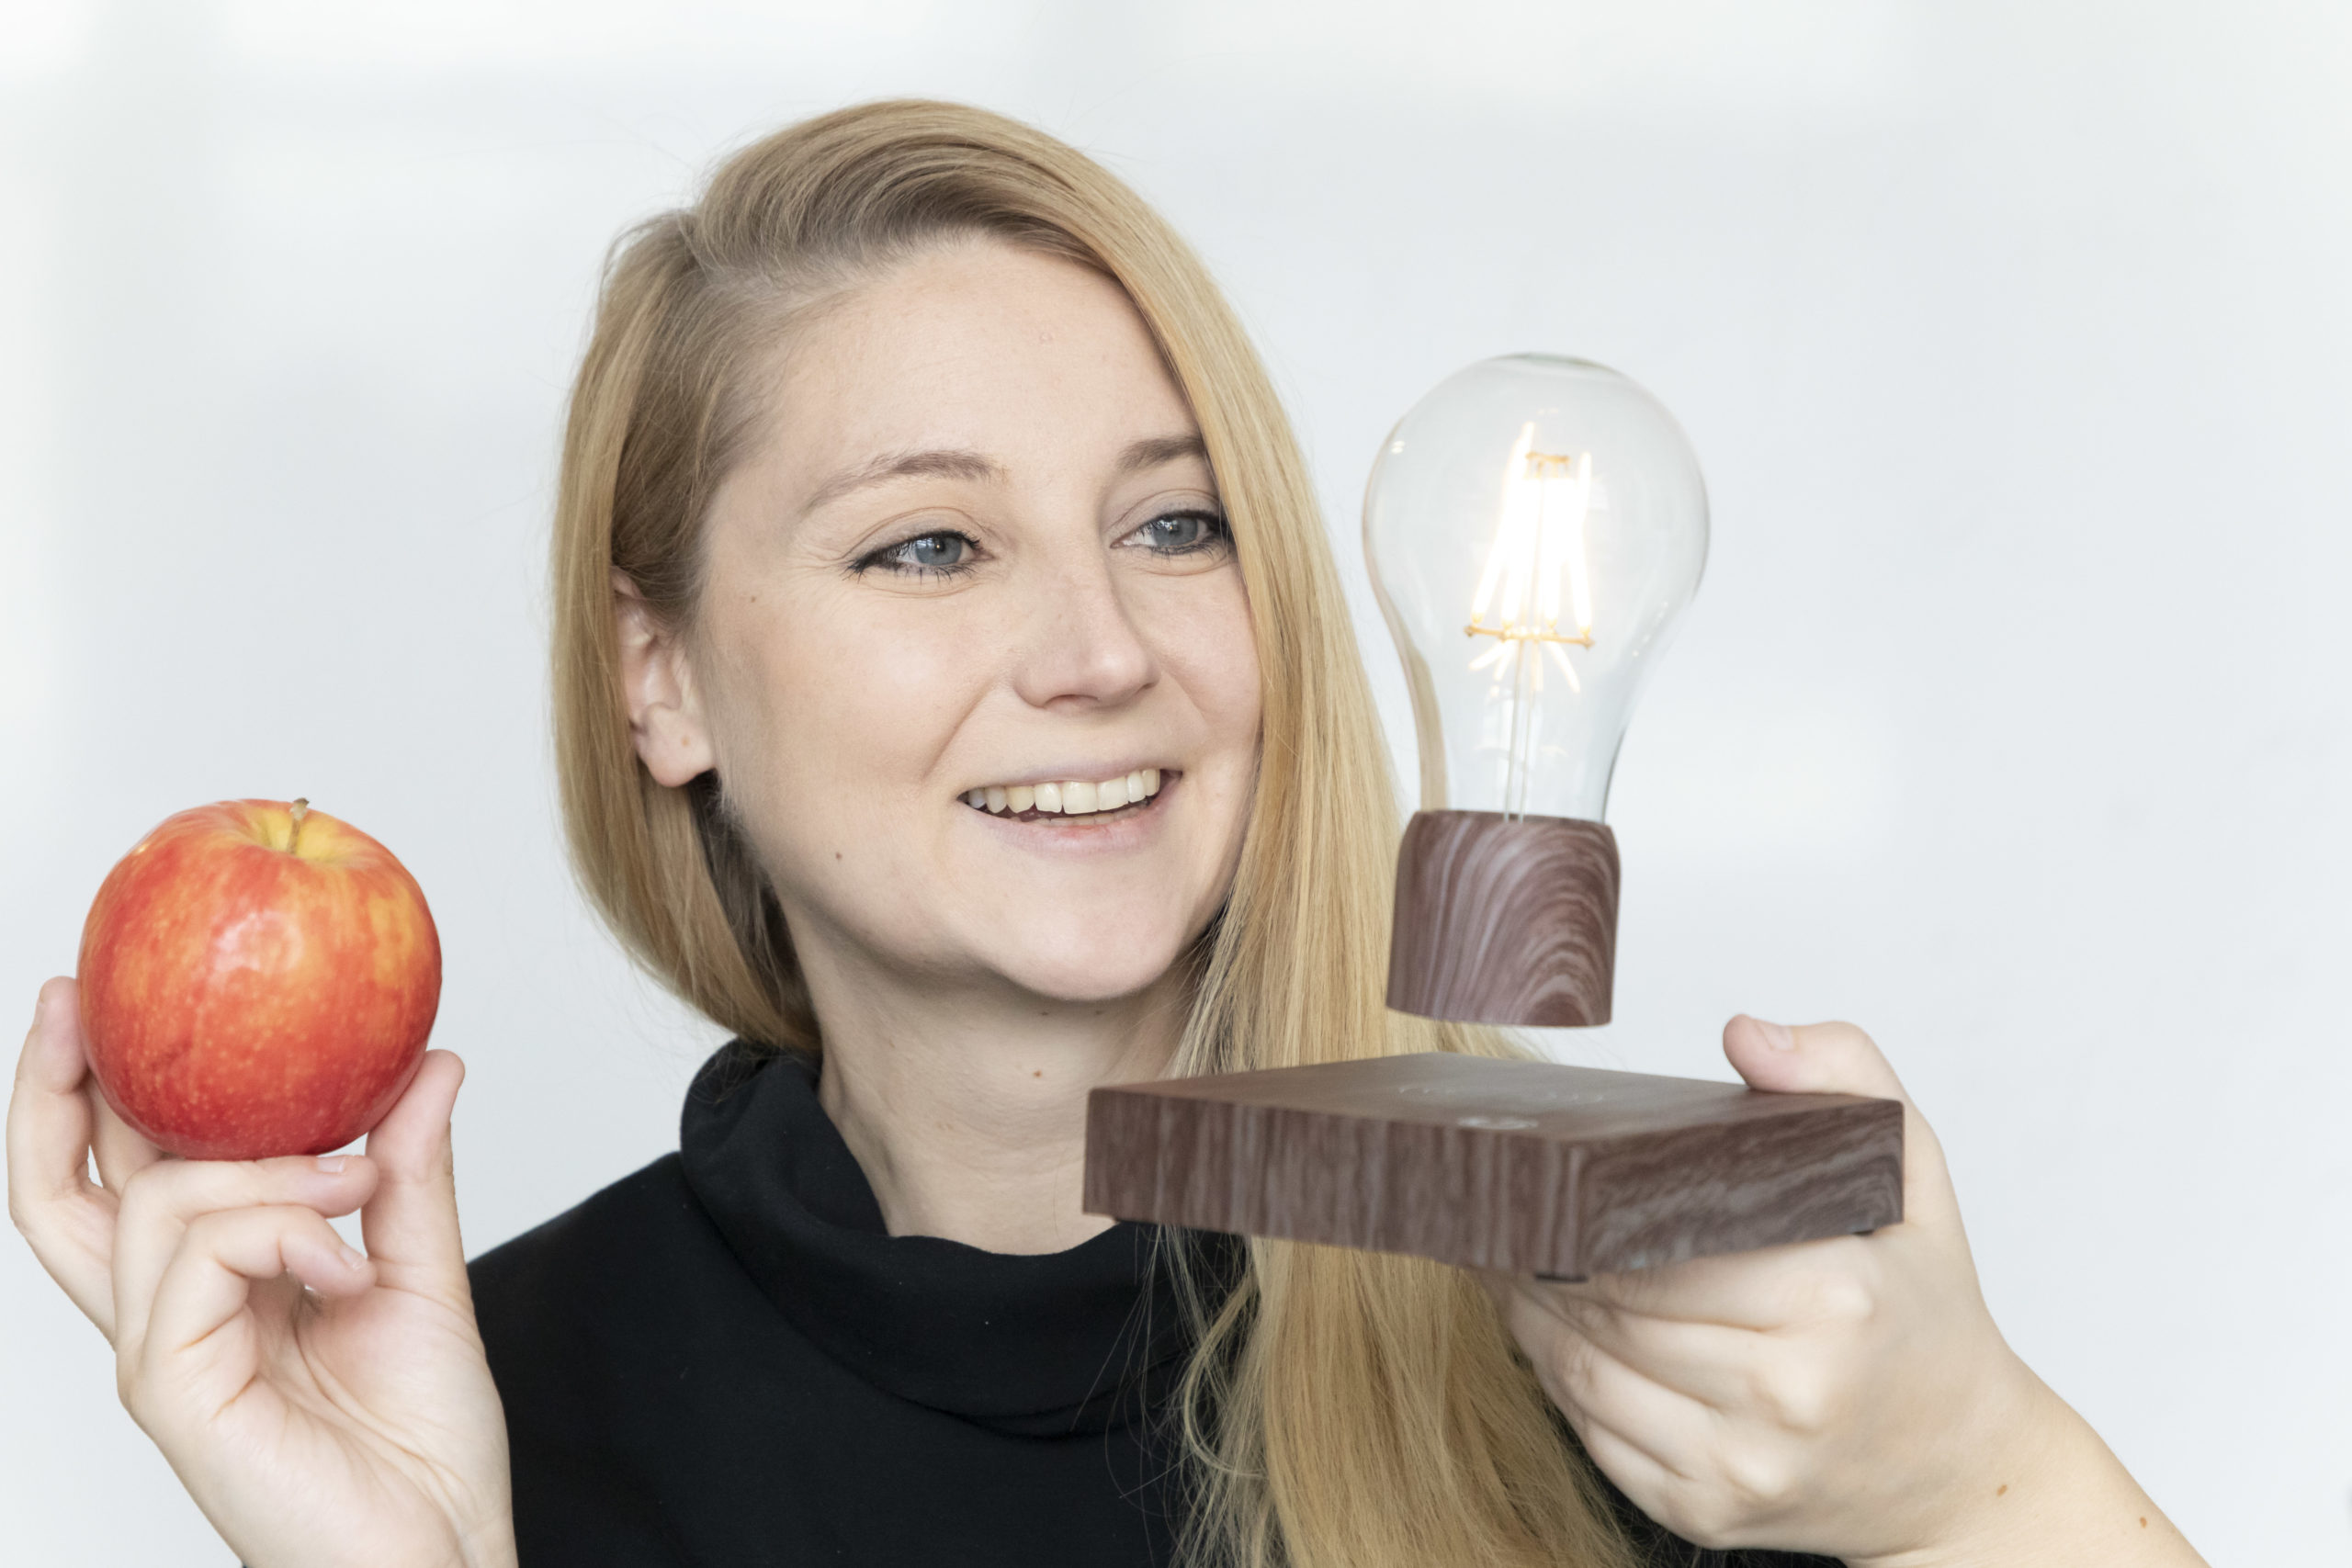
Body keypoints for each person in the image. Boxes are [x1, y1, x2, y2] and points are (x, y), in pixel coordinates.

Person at [7, 100, 2208, 1568]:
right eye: (926, 547)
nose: (1094, 650)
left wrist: (1970, 1481)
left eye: (1173, 522)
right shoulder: (478, 1406)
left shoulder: (1679, 1350)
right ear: (656, 671)